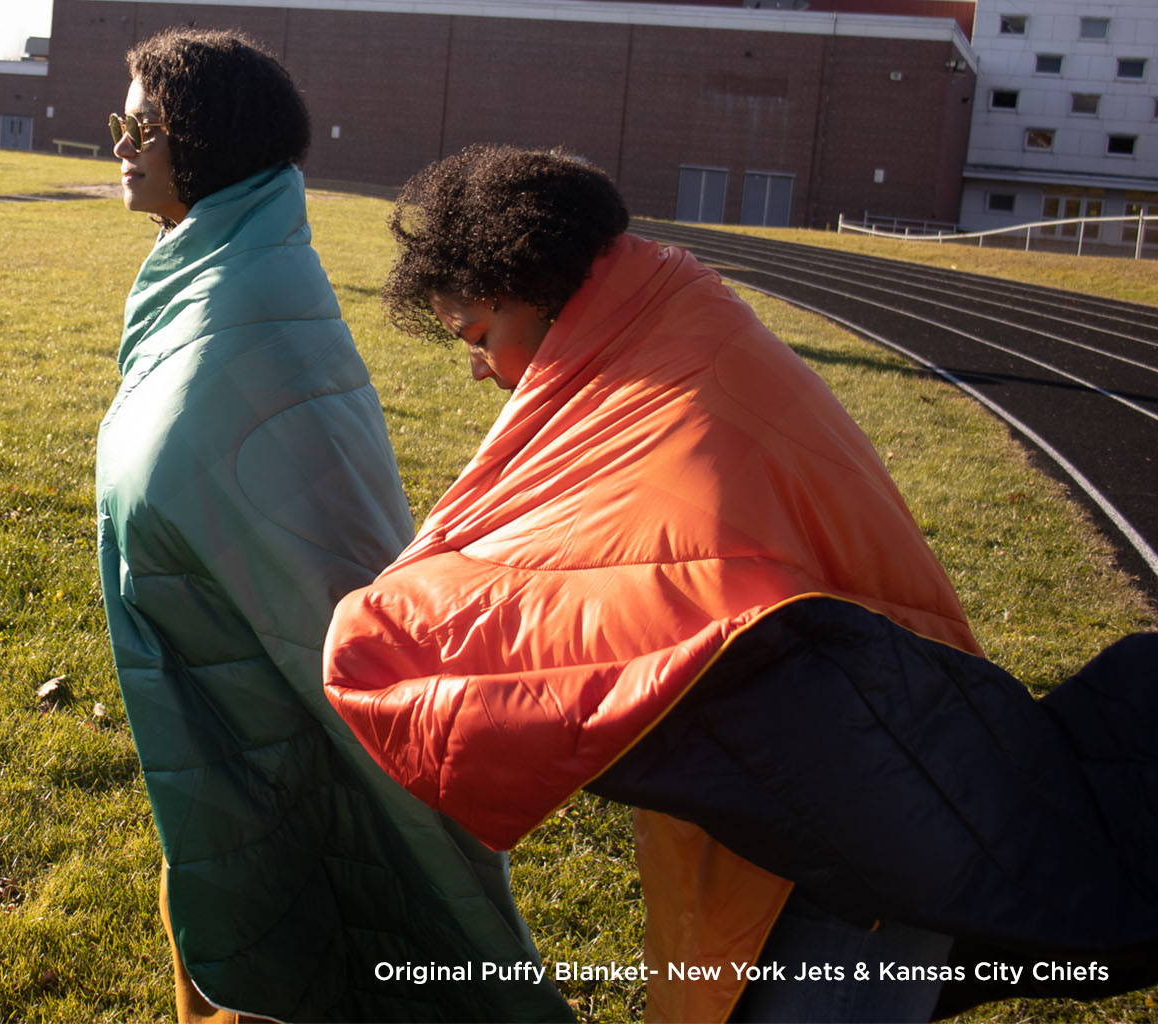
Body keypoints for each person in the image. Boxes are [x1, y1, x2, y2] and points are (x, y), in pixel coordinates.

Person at [322, 144, 1158, 1022]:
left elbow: (663, 586)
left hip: (858, 817)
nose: (479, 369)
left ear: (534, 292)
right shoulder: (674, 328)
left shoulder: (681, 396)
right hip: (850, 779)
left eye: (481, 337)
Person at [95, 32, 572, 1024]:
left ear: (204, 139)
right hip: (216, 686)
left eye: (140, 125)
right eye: (120, 123)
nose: (121, 146)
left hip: (271, 704)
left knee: (312, 904)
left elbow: (321, 566)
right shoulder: (206, 273)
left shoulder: (254, 302)